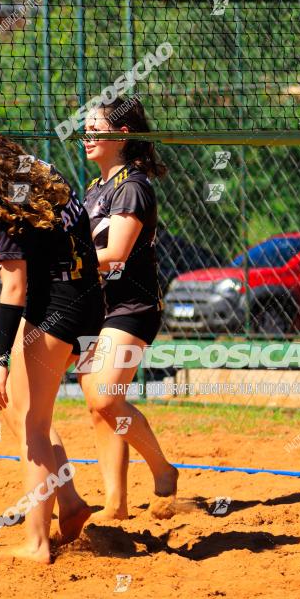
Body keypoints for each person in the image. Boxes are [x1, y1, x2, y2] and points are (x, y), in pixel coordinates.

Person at [0, 120, 105, 563]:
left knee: (31, 427)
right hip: (87, 299)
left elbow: (13, 288)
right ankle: (70, 505)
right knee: (36, 416)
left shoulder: (6, 204)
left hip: (54, 308)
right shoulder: (39, 171)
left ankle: (37, 543)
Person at [78, 96, 178, 519]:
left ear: (122, 135)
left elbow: (115, 254)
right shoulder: (94, 190)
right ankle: (115, 503)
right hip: (98, 307)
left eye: (95, 125)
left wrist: (60, 262)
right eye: (84, 125)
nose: (86, 133)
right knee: (100, 405)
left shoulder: (132, 186)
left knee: (104, 396)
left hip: (132, 305)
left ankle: (162, 469)